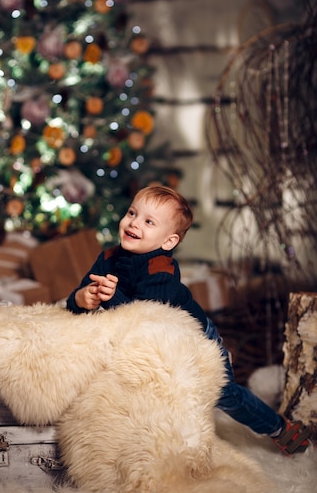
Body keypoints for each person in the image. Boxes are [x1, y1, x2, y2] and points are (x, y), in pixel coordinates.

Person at [66, 185, 312, 457]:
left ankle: (278, 428)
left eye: (149, 222)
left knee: (222, 393)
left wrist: (111, 297)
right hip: (153, 343)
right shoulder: (109, 257)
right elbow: (77, 301)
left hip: (194, 338)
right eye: (132, 213)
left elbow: (145, 317)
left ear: (168, 242)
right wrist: (82, 297)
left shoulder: (161, 269)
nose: (134, 223)